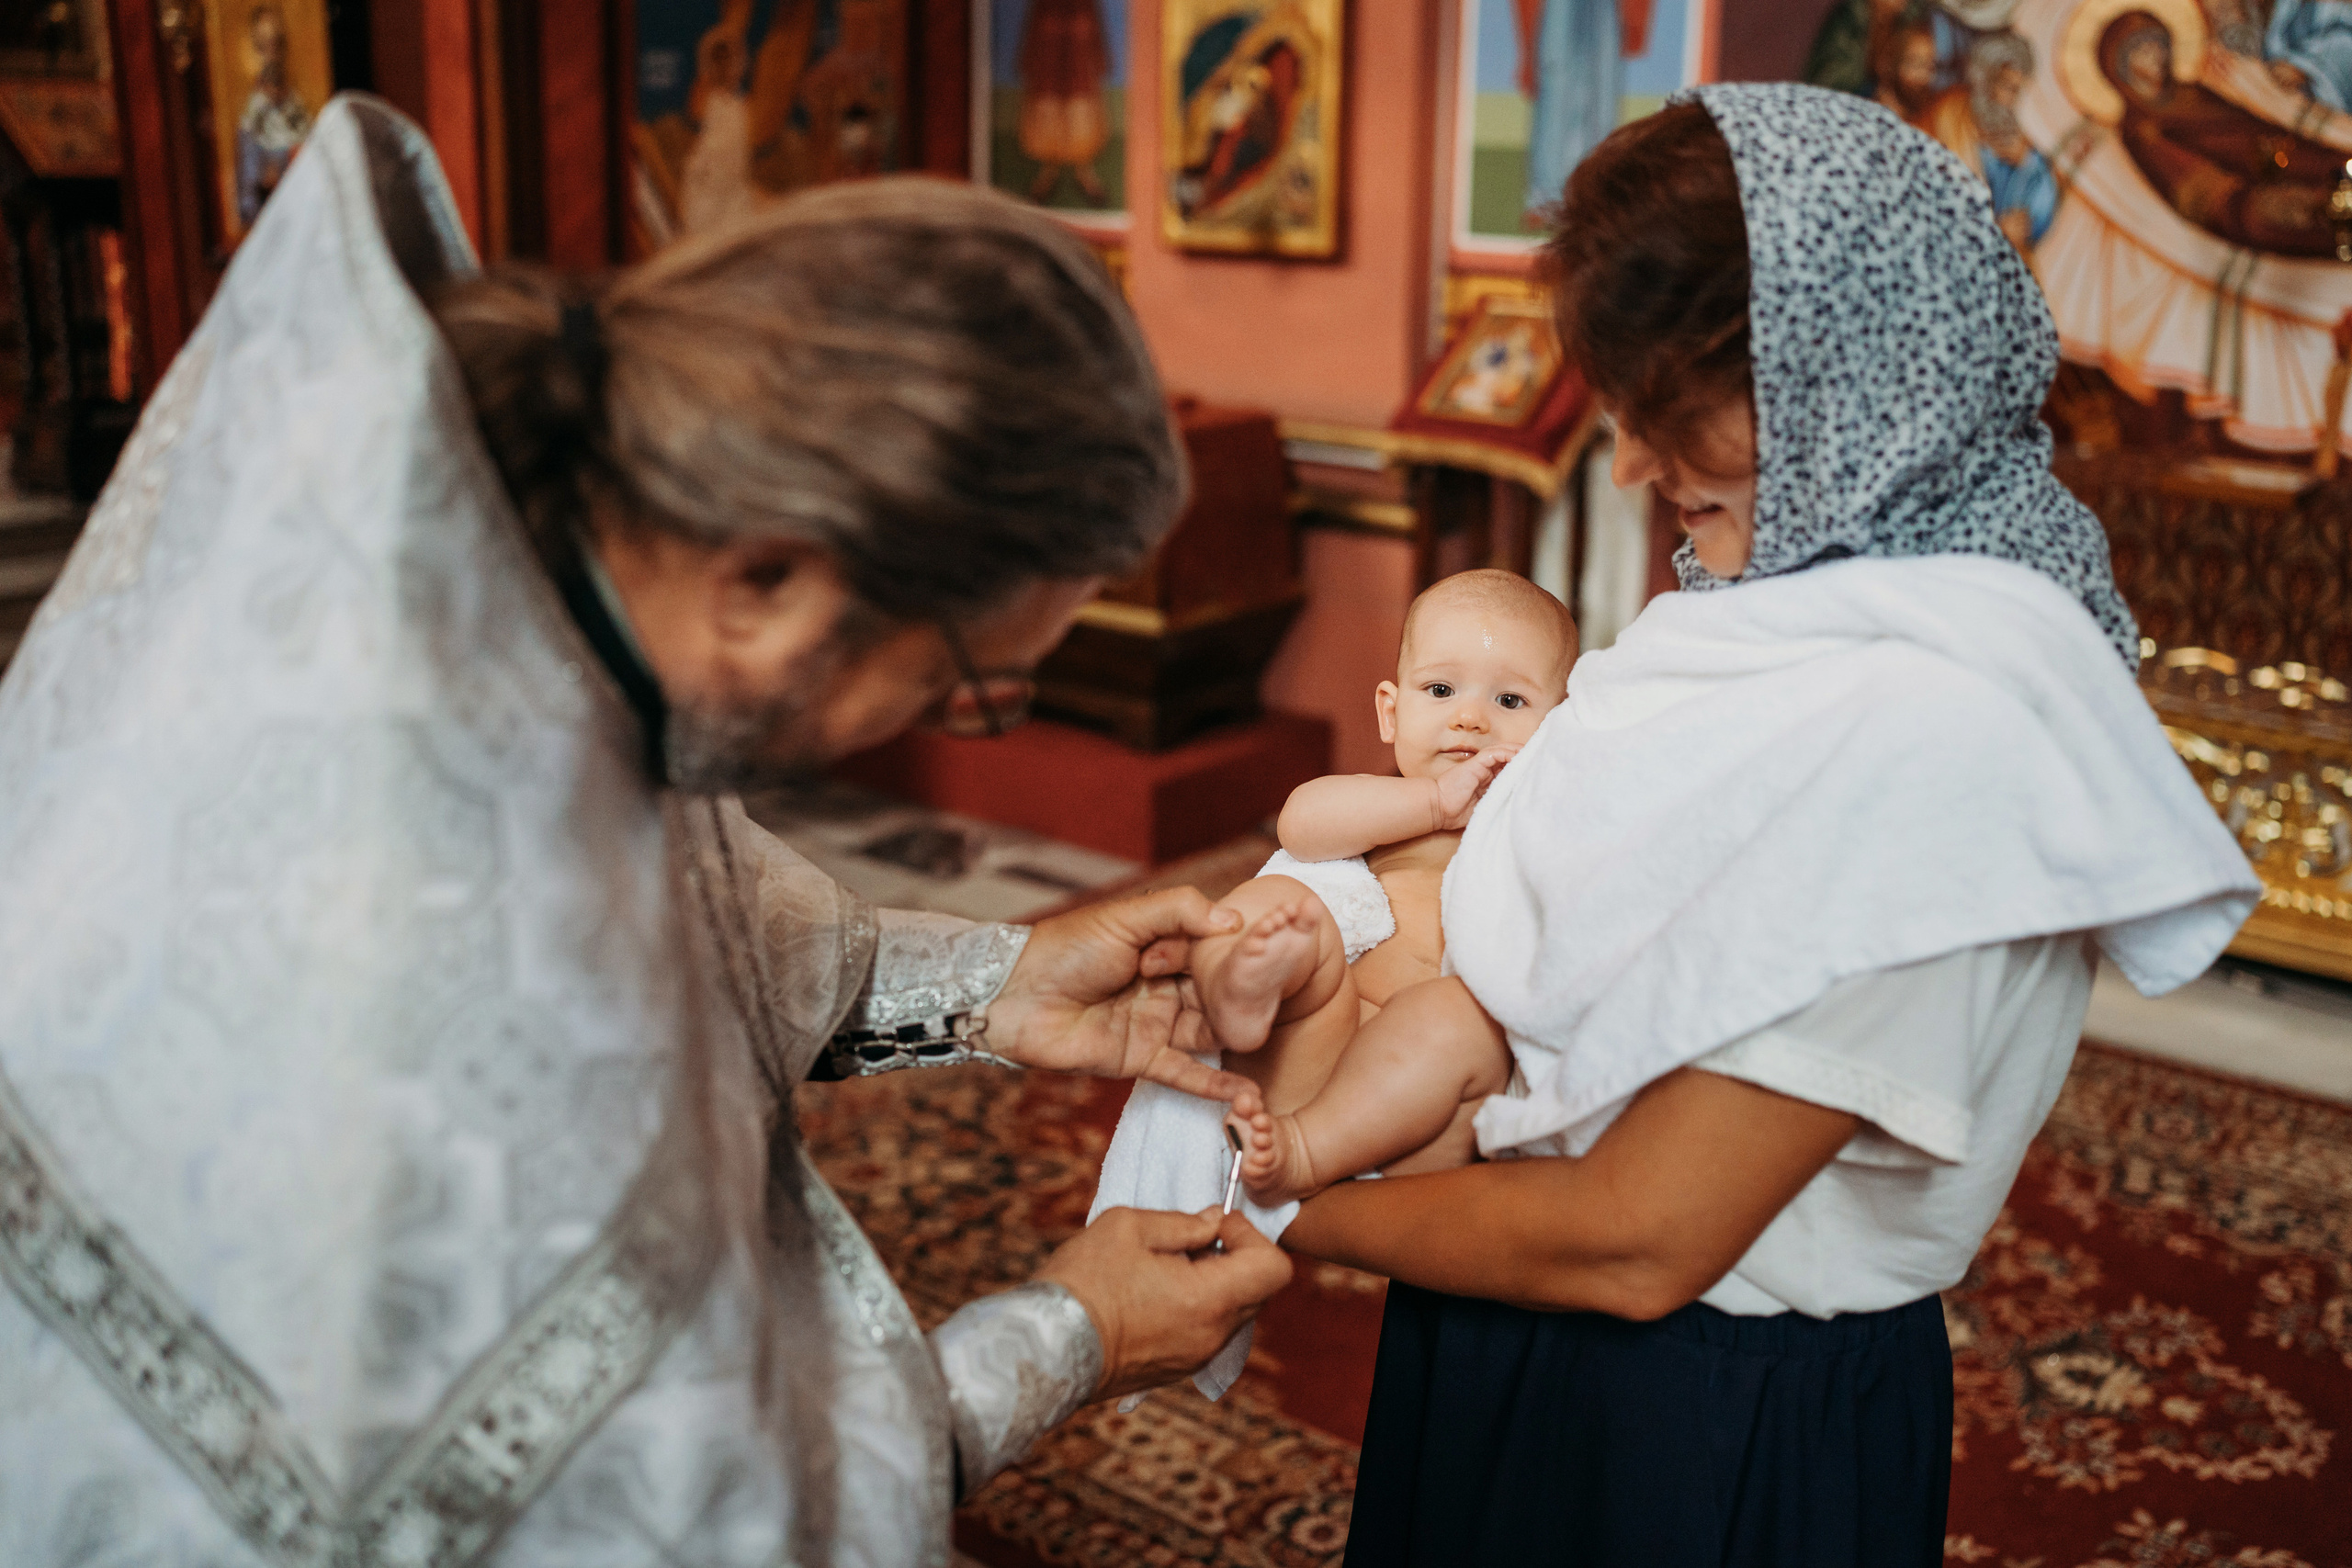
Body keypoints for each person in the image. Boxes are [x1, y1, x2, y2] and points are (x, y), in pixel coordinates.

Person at [0, 97, 1289, 1565]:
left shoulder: (459, 546)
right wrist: (1077, 1330)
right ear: (767, 575)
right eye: (959, 678)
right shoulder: (468, 990)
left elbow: (674, 875)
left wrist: (992, 983)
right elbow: (723, 1518)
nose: (933, 717)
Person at [1281, 85, 2259, 1566]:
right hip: (1507, 1288)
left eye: (1665, 419)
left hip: (1697, 1411)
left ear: (1849, 382)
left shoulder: (1949, 722)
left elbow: (1639, 1235)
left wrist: (1287, 1216)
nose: (1628, 467)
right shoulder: (1781, 605)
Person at [1203, 572, 1574, 1202]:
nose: (1469, 718)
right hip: (1314, 1049)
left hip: (1422, 1107)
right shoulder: (1391, 807)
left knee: (1456, 1021)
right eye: (1440, 688)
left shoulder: (1544, 830)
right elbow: (1301, 825)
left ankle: (1306, 1152)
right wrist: (1431, 804)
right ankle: (1226, 992)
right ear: (1390, 711)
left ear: (1562, 732)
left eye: (1510, 702)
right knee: (1284, 911)